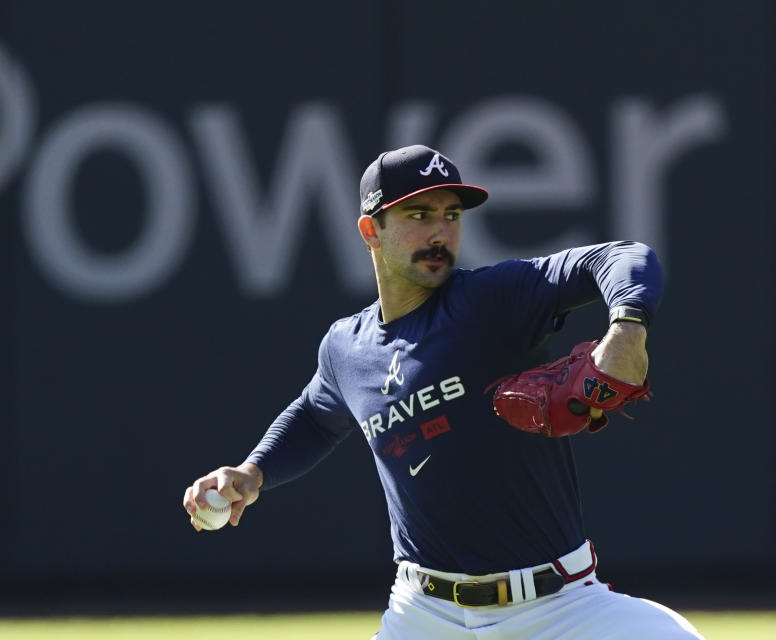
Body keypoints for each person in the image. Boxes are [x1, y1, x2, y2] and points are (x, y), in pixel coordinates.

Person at [182, 145, 703, 639]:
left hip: (560, 610)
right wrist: (252, 472)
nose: (440, 232)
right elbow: (317, 417)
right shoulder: (346, 347)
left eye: (451, 215)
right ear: (371, 230)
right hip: (424, 614)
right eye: (418, 216)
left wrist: (628, 327)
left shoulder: (490, 302)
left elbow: (622, 256)